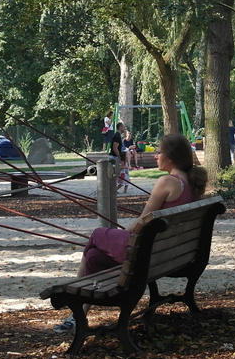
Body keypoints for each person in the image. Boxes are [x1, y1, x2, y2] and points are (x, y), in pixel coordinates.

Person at [56, 131, 208, 332]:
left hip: (146, 254)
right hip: (167, 254)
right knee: (93, 256)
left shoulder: (167, 182)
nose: (156, 156)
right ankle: (79, 313)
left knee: (97, 235)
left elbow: (142, 222)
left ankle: (74, 299)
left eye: (159, 152)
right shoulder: (190, 182)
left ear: (170, 158)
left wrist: (120, 232)